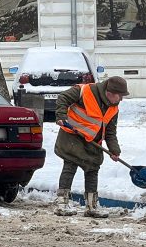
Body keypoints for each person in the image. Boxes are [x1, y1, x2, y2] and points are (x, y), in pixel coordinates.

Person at [53, 76, 129, 218]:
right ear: (110, 93)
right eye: (120, 96)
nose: (121, 100)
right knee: (70, 165)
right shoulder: (85, 91)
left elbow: (110, 131)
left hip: (92, 141)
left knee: (93, 168)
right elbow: (63, 97)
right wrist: (61, 116)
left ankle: (91, 206)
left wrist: (114, 150)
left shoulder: (113, 108)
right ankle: (62, 203)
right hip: (73, 134)